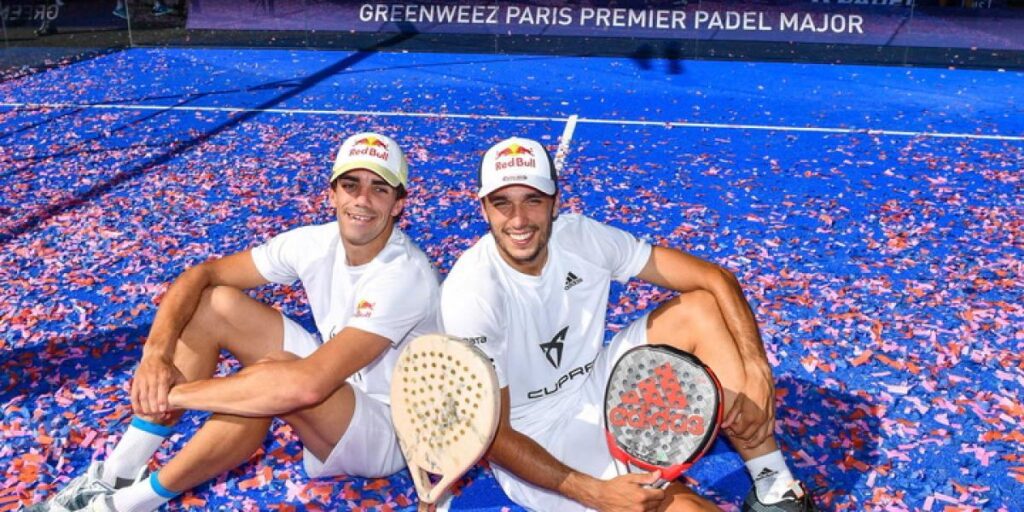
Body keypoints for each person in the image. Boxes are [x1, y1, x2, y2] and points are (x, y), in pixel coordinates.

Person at [31, 132, 440, 512]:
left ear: (398, 203)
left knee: (270, 380)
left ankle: (122, 506)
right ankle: (117, 473)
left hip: (389, 431)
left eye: (379, 189)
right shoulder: (313, 242)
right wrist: (154, 358)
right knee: (216, 305)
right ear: (332, 194)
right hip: (342, 385)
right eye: (351, 185)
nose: (362, 200)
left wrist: (171, 394)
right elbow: (202, 274)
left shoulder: (404, 274)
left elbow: (308, 384)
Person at [440, 137, 818, 512]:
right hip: (538, 439)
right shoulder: (471, 293)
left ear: (555, 204)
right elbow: (491, 434)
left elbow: (715, 279)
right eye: (502, 203)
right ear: (484, 209)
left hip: (595, 384)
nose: (518, 219)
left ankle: (773, 484)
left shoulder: (580, 237)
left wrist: (757, 370)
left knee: (701, 309)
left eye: (533, 200)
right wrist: (595, 493)